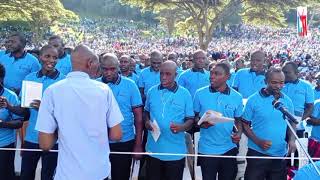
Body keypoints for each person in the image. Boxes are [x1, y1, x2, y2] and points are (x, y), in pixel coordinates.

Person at [35, 45, 123, 180]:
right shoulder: (103, 90)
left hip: (67, 174)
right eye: (97, 63)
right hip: (98, 173)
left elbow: (45, 144)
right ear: (90, 63)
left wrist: (63, 130)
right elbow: (116, 135)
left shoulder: (52, 91)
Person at [2, 45, 65, 180]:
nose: (51, 60)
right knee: (26, 175)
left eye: (55, 57)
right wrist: (9, 106)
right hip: (31, 137)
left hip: (54, 138)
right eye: (47, 56)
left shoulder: (63, 81)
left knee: (47, 176)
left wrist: (45, 108)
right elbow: (24, 111)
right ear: (40, 57)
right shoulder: (30, 79)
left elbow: (67, 114)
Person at [242, 67, 296, 180]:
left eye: (281, 83)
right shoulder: (253, 100)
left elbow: (292, 122)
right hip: (257, 153)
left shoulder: (288, 101)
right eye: (274, 82)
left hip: (279, 154)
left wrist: (291, 140)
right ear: (266, 81)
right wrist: (258, 141)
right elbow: (244, 124)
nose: (278, 86)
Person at [144, 60, 194, 180]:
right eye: (161, 73)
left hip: (175, 153)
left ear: (176, 75)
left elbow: (190, 120)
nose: (163, 77)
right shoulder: (151, 91)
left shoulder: (185, 94)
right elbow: (146, 112)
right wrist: (147, 121)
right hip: (153, 150)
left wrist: (182, 127)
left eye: (168, 74)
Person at [193, 62, 243, 180]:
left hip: (229, 148)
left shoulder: (237, 97)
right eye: (211, 73)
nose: (212, 76)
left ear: (227, 77)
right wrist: (200, 123)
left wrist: (239, 133)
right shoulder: (200, 93)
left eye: (217, 73)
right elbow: (193, 118)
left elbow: (238, 120)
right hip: (207, 149)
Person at [98, 53, 143, 180]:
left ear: (118, 67)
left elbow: (138, 118)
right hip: (99, 141)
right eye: (105, 69)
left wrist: (138, 144)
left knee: (121, 176)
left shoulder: (130, 85)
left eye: (112, 69)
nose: (108, 72)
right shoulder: (94, 85)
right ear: (100, 68)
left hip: (124, 140)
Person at [0, 63, 23, 180]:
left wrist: (2, 124)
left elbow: (19, 122)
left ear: (1, 78)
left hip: (5, 147)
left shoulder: (10, 96)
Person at [282, 61, 314, 137]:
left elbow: (310, 107)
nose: (284, 74)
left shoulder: (306, 86)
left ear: (296, 73)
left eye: (287, 72)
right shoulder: (277, 84)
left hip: (297, 128)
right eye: (283, 72)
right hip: (278, 126)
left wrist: (299, 120)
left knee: (295, 148)